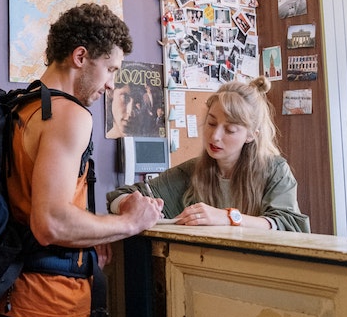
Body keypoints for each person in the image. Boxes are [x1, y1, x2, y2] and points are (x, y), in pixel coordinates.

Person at [0, 3, 164, 317]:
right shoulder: (69, 115)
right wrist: (128, 223)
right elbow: (50, 222)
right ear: (81, 56)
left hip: (5, 302)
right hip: (47, 308)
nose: (111, 83)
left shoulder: (21, 107)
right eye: (110, 68)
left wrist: (95, 235)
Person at [106, 77, 309, 232]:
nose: (215, 136)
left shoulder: (275, 171)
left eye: (229, 130)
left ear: (251, 135)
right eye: (211, 123)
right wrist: (131, 205)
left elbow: (289, 225)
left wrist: (228, 218)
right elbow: (117, 196)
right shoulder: (189, 172)